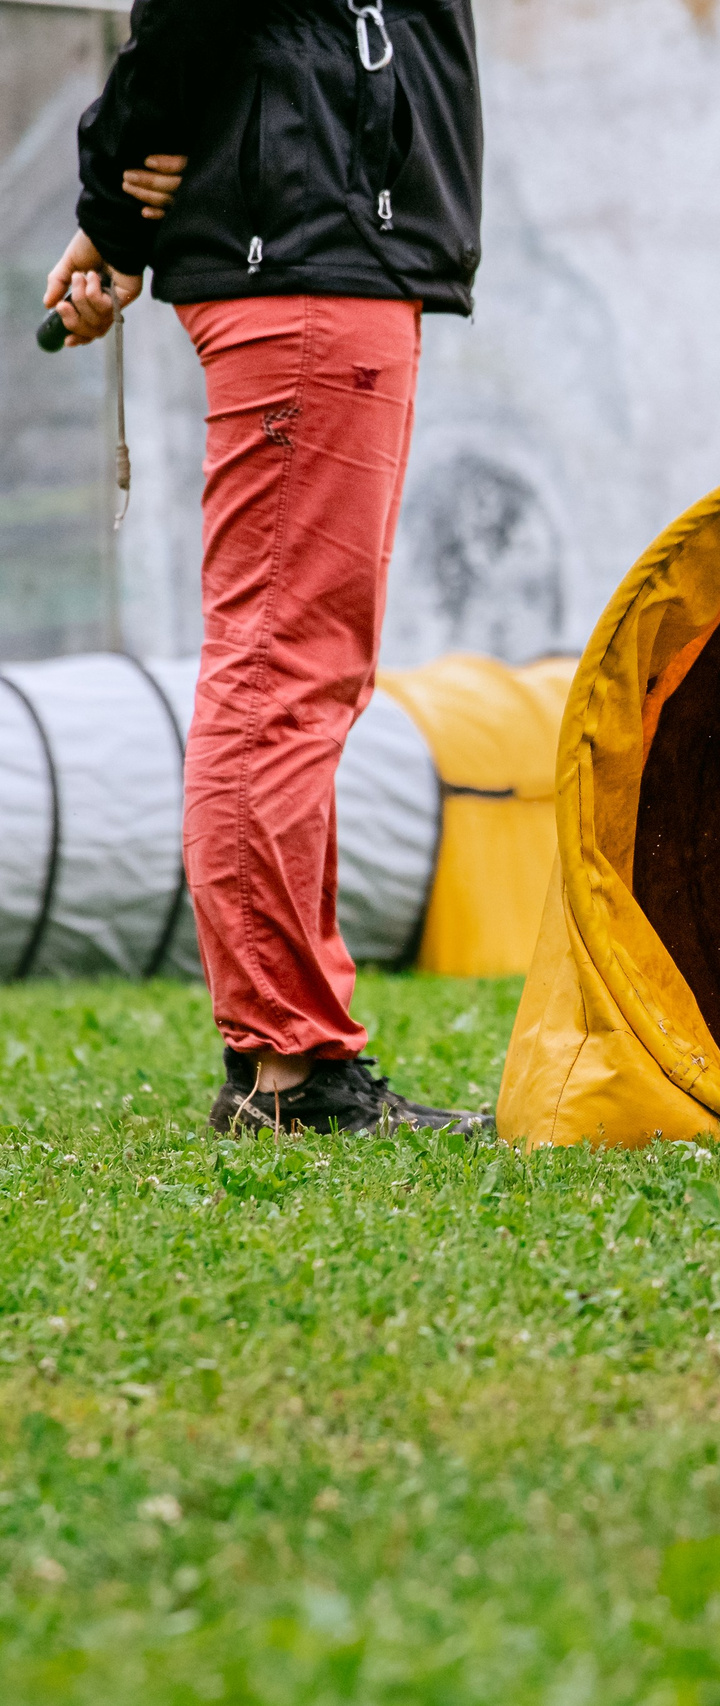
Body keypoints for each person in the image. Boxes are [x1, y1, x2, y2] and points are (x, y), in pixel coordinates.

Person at [45, 0, 489, 1137]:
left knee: (301, 675)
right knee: (280, 673)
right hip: (305, 274)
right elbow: (192, 16)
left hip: (325, 262)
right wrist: (113, 203)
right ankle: (288, 1067)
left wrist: (130, 214)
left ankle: (287, 1056)